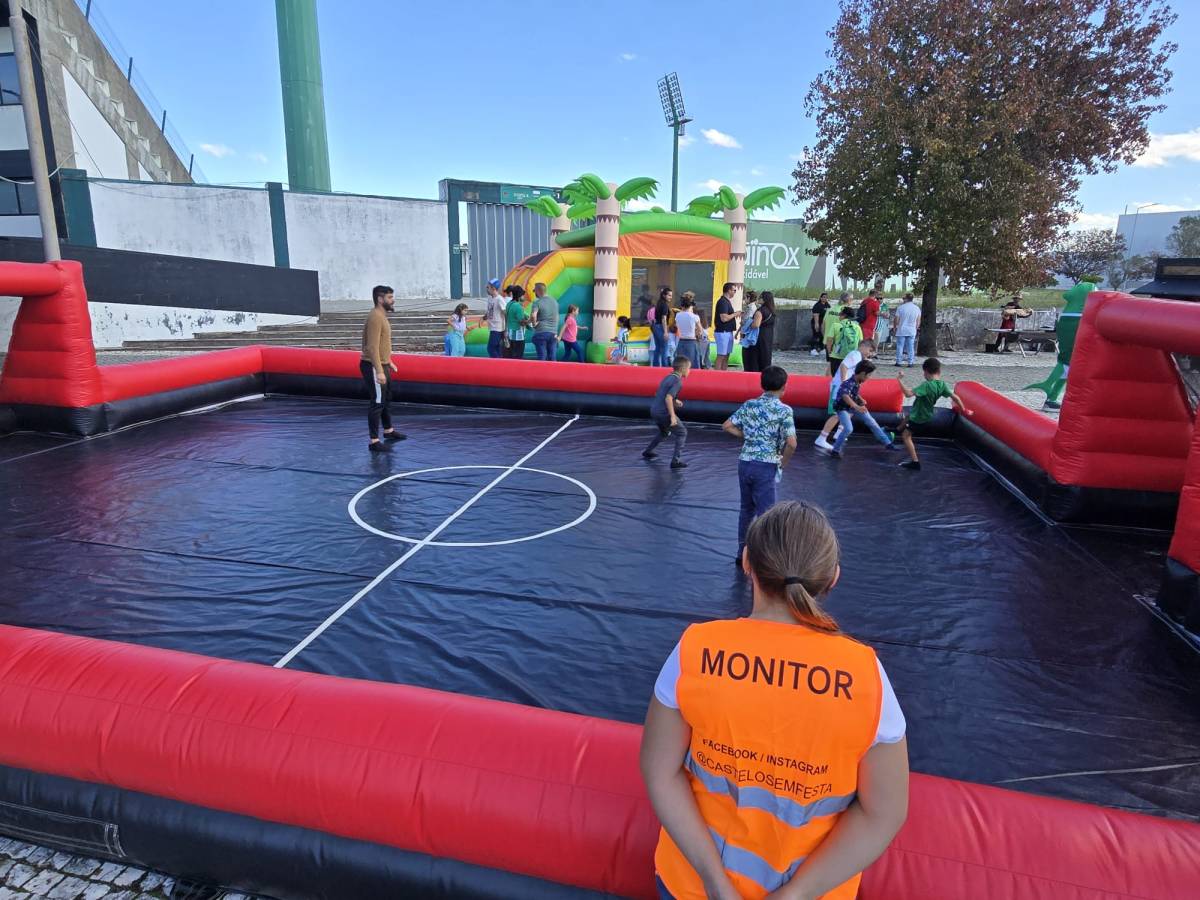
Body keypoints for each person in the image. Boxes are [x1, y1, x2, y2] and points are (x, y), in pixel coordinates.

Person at [641, 500, 909, 900]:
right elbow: (882, 814)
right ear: (832, 578)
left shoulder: (696, 650)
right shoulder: (866, 676)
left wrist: (716, 884)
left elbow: (659, 772)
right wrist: (797, 895)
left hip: (692, 886)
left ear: (747, 561)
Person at [722, 366, 798, 562]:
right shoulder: (784, 410)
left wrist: (747, 437)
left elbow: (727, 425)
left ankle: (742, 553)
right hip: (766, 464)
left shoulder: (750, 405)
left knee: (746, 509)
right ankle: (764, 557)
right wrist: (783, 462)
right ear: (784, 387)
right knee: (767, 514)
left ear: (762, 384)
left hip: (745, 462)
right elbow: (791, 443)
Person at [895, 359, 973, 470]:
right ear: (938, 371)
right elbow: (955, 397)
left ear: (926, 372)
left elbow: (907, 394)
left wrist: (899, 380)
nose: (924, 375)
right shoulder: (942, 385)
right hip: (927, 415)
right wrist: (964, 409)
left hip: (919, 417)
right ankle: (897, 429)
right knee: (908, 415)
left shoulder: (926, 386)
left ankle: (915, 462)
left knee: (906, 436)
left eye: (924, 373)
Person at [360, 284, 406, 452]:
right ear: (380, 299)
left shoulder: (382, 316)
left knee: (386, 398)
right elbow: (371, 347)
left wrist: (389, 361)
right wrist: (379, 370)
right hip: (373, 365)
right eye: (389, 297)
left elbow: (382, 344)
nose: (393, 300)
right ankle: (374, 441)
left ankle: (388, 430)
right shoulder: (375, 317)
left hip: (382, 363)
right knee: (377, 401)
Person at [814, 338, 877, 451]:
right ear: (864, 346)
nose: (870, 354)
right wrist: (844, 383)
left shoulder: (858, 357)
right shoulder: (855, 354)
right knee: (837, 413)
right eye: (870, 350)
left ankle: (840, 432)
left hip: (846, 388)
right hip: (840, 388)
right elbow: (844, 366)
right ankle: (822, 438)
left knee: (850, 409)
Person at [828, 360, 898, 458]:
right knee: (848, 428)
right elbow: (845, 396)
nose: (869, 378)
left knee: (871, 421)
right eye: (869, 375)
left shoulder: (857, 381)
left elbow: (854, 393)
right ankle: (835, 450)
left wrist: (861, 399)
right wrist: (856, 406)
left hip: (854, 405)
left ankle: (888, 443)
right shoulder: (848, 383)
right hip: (842, 408)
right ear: (862, 374)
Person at [642, 355, 691, 469]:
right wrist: (673, 416)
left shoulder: (667, 377)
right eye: (689, 368)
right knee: (682, 432)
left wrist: (675, 400)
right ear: (683, 369)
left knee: (664, 432)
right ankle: (675, 461)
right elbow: (668, 397)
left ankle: (648, 451)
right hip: (664, 413)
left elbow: (658, 394)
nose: (689, 371)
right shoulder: (678, 381)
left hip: (654, 410)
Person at [826, 307, 863, 378]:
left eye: (840, 314)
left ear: (844, 315)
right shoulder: (857, 327)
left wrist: (829, 351)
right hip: (851, 356)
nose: (839, 316)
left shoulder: (835, 325)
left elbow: (829, 340)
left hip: (837, 355)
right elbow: (860, 342)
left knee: (836, 377)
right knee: (849, 377)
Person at [713, 282, 739, 370]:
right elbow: (724, 318)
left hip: (728, 332)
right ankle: (717, 375)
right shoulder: (722, 302)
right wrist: (735, 314)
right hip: (722, 332)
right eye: (734, 290)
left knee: (726, 355)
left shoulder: (727, 301)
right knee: (721, 355)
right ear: (729, 290)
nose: (735, 292)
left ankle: (724, 374)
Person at [531, 282, 560, 361]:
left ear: (537, 291)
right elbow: (557, 317)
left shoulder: (537, 302)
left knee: (542, 356)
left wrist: (534, 325)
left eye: (535, 292)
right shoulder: (555, 302)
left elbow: (533, 315)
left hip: (541, 332)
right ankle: (553, 372)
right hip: (553, 333)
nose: (535, 294)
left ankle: (541, 372)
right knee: (552, 356)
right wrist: (555, 331)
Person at [893, 293, 921, 367]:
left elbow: (896, 319)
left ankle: (899, 361)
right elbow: (918, 321)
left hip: (902, 329)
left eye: (903, 298)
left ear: (906, 299)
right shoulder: (916, 308)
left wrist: (895, 327)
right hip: (912, 329)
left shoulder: (901, 308)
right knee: (910, 346)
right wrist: (916, 327)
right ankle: (910, 362)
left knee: (900, 346)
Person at [674, 296, 702, 369]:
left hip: (681, 341)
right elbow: (700, 330)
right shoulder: (695, 317)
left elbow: (677, 326)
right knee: (692, 363)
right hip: (691, 341)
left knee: (681, 364)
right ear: (691, 306)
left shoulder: (677, 315)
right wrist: (697, 334)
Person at [752, 290, 777, 371]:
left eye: (760, 297)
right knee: (766, 356)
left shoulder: (761, 311)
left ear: (764, 299)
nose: (759, 299)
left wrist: (748, 325)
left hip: (759, 336)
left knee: (757, 358)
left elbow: (756, 325)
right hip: (768, 336)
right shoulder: (772, 310)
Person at [504, 285, 531, 359]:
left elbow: (507, 316)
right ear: (519, 296)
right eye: (523, 295)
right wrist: (530, 321)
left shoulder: (509, 304)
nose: (524, 297)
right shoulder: (518, 306)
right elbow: (522, 322)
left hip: (510, 334)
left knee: (512, 355)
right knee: (518, 356)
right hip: (518, 336)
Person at [738, 292, 761, 373]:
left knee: (747, 356)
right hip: (746, 333)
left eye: (745, 298)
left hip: (747, 334)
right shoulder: (750, 307)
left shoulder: (751, 308)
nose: (744, 300)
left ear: (749, 298)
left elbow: (747, 321)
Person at [484, 278, 507, 358]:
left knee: (491, 348)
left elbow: (505, 314)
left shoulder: (500, 299)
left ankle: (497, 364)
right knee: (496, 348)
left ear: (493, 288)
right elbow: (490, 311)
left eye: (488, 287)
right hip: (492, 327)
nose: (486, 288)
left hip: (498, 328)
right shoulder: (491, 298)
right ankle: (500, 364)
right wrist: (484, 318)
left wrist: (505, 329)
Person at [650, 288, 673, 367]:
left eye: (671, 295)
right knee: (664, 348)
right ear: (664, 295)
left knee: (658, 348)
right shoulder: (664, 305)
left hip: (655, 326)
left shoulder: (659, 303)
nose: (671, 297)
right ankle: (664, 367)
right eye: (669, 295)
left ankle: (655, 366)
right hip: (660, 327)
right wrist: (666, 332)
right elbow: (664, 319)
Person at [810, 291, 831, 356]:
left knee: (823, 336)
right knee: (816, 336)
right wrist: (816, 324)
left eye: (826, 297)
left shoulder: (827, 305)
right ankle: (812, 349)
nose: (825, 299)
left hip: (823, 324)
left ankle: (822, 349)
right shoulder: (817, 305)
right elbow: (816, 315)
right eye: (823, 297)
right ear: (820, 298)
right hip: (817, 322)